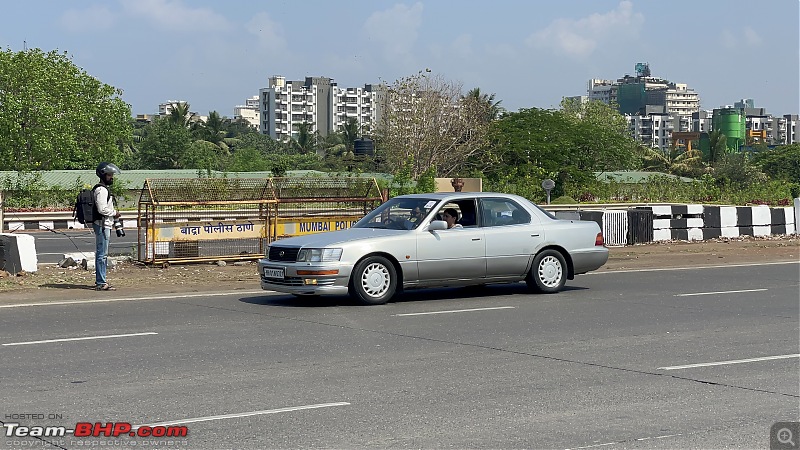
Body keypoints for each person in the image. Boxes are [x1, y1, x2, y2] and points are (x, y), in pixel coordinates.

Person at [93, 162, 122, 291]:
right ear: (103, 175)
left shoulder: (103, 189)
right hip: (102, 225)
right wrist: (115, 213)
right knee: (102, 254)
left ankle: (101, 280)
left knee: (103, 254)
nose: (111, 177)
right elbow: (102, 209)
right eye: (109, 175)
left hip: (105, 224)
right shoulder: (101, 190)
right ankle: (101, 282)